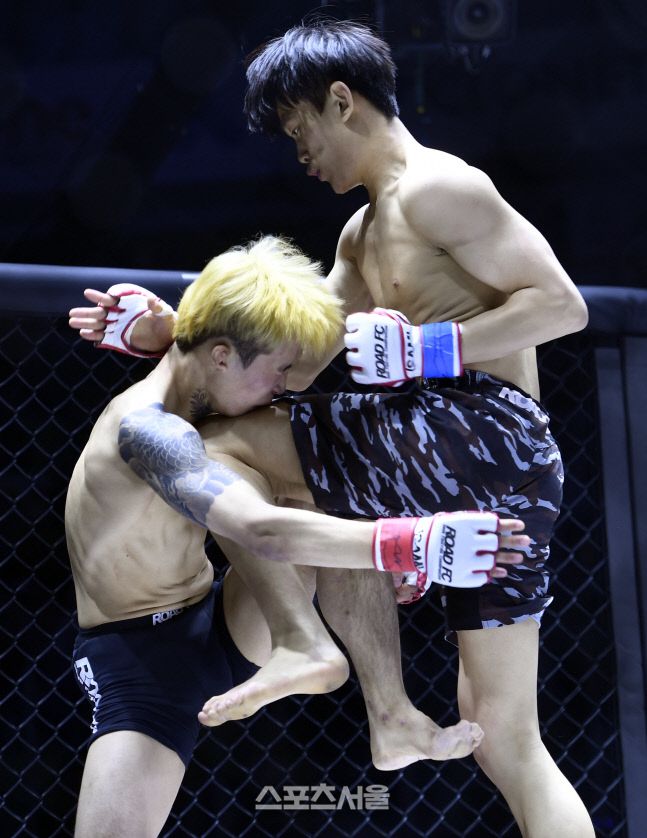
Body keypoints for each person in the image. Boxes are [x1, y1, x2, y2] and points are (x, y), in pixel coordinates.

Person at [79, 17, 594, 836]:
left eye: (299, 130)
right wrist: (175, 330)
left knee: (216, 446)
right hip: (501, 479)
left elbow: (563, 308)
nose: (300, 155)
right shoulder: (359, 235)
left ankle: (310, 647)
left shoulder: (440, 186)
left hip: (483, 430)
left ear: (342, 101)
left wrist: (428, 347)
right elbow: (287, 354)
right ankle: (389, 715)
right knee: (504, 737)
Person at [66, 235, 526, 837]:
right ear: (223, 357)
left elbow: (208, 343)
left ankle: (388, 713)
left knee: (329, 479)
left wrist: (168, 328)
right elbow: (259, 529)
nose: (284, 385)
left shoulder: (207, 390)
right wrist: (414, 543)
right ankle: (303, 643)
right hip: (140, 661)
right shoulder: (146, 430)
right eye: (279, 369)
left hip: (219, 619)